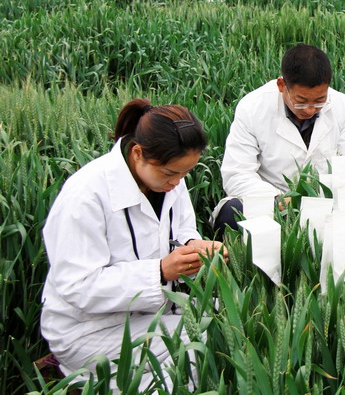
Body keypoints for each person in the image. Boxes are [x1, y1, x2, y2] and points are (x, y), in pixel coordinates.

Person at [41, 99, 226, 390]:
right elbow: (77, 285)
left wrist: (194, 245)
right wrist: (160, 272)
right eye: (171, 173)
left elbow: (182, 228)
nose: (178, 183)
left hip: (153, 313)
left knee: (227, 320)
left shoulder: (169, 179)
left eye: (185, 173)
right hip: (90, 330)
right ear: (138, 153)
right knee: (200, 349)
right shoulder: (85, 195)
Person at [216, 44, 345, 233]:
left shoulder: (340, 104)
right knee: (232, 211)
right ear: (281, 85)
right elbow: (237, 174)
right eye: (300, 101)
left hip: (324, 202)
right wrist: (277, 200)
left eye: (319, 101)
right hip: (271, 203)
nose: (310, 110)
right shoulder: (252, 108)